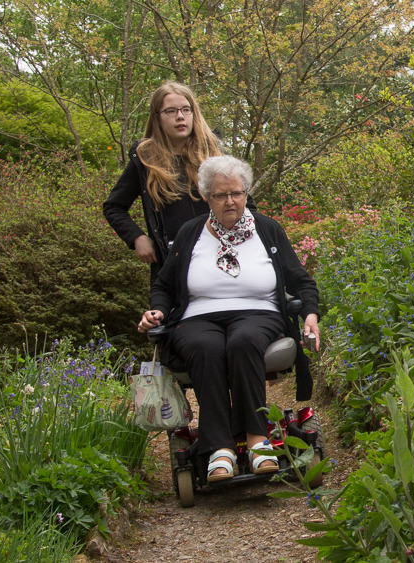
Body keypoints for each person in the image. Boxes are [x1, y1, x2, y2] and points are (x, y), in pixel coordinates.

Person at [136, 155, 320, 482]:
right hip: (197, 317)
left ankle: (257, 440)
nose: (230, 201)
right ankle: (219, 449)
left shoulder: (267, 230)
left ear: (246, 193)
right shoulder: (190, 233)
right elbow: (163, 284)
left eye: (236, 193)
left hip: (257, 312)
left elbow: (301, 280)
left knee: (243, 341)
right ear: (207, 197)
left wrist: (310, 313)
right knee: (205, 347)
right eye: (220, 195)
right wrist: (158, 311)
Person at [102, 82, 225, 283]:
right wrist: (137, 238)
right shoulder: (144, 159)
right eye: (171, 111)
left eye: (186, 109)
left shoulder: (215, 155)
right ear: (157, 117)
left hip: (220, 258)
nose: (180, 116)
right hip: (172, 266)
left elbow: (246, 205)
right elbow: (113, 207)